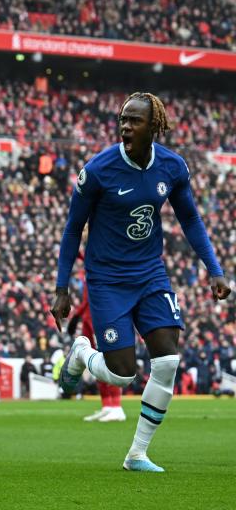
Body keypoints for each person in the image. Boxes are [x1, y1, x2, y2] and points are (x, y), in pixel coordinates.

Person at [53, 92, 231, 472]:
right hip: (106, 279)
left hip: (150, 273)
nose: (125, 127)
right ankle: (82, 353)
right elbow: (72, 230)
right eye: (122, 119)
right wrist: (61, 287)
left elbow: (191, 220)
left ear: (154, 126)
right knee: (122, 373)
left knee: (167, 359)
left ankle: (137, 454)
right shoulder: (99, 170)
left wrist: (214, 269)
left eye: (134, 120)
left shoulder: (173, 167)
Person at [68, 284, 125, 422]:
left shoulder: (99, 266)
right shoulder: (89, 268)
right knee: (94, 362)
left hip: (100, 316)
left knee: (107, 359)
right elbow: (88, 298)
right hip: (89, 317)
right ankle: (107, 405)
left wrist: (76, 315)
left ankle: (117, 407)